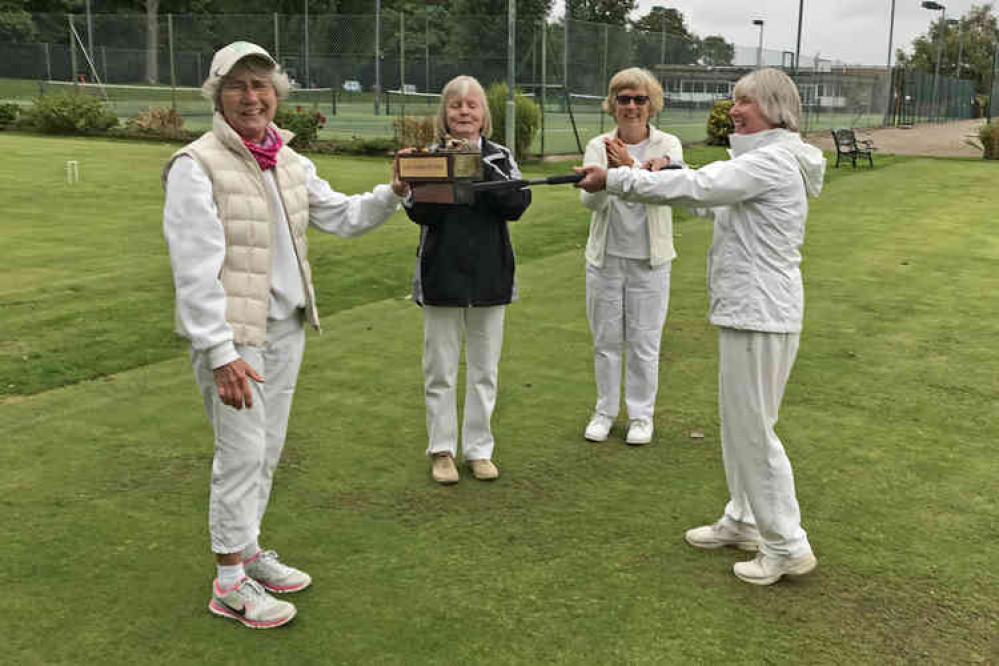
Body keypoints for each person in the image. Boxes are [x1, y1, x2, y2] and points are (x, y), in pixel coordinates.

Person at [162, 41, 408, 628]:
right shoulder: (195, 165)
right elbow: (193, 271)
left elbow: (342, 217)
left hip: (286, 326)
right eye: (238, 87)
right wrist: (220, 354)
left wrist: (395, 192)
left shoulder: (289, 161)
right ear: (217, 96)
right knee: (241, 453)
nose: (252, 97)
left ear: (277, 94)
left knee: (266, 451)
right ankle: (228, 584)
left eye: (262, 85)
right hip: (235, 336)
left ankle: (247, 552)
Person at [575, 68, 826, 586]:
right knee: (739, 425)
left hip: (760, 311)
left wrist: (622, 176)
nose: (733, 109)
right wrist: (662, 172)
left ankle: (786, 543)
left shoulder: (773, 160)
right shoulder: (763, 159)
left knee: (753, 429)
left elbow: (703, 185)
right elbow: (704, 197)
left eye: (744, 102)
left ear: (775, 110)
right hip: (751, 310)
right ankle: (744, 517)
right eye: (734, 101)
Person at [402, 75, 531, 485]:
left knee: (484, 370)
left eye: (472, 105)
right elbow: (421, 213)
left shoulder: (500, 156)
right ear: (445, 113)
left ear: (483, 115)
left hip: (490, 275)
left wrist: (478, 173)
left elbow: (517, 203)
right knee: (439, 370)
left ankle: (479, 450)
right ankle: (442, 450)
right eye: (456, 105)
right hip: (441, 272)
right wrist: (423, 187)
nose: (464, 112)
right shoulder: (428, 156)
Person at [579, 67, 683, 446]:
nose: (632, 106)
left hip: (650, 260)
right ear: (613, 104)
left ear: (651, 105)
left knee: (644, 341)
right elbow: (589, 199)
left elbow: (664, 190)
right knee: (606, 340)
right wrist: (610, 175)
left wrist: (628, 168)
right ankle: (605, 411)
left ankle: (641, 416)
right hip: (606, 258)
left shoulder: (668, 146)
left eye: (640, 99)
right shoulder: (598, 145)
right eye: (624, 98)